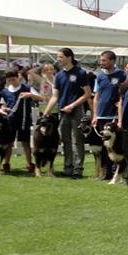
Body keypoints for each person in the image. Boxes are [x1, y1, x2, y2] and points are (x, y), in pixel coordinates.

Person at [43, 48, 92, 179]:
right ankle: (68, 168)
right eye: (58, 57)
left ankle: (78, 169)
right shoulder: (59, 76)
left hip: (76, 110)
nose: (58, 59)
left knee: (77, 140)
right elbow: (55, 96)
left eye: (60, 57)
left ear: (69, 57)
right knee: (65, 140)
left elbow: (87, 94)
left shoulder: (80, 73)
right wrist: (46, 113)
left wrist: (72, 105)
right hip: (63, 111)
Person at [91, 51, 128, 180]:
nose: (102, 63)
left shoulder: (122, 75)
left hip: (114, 116)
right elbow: (96, 97)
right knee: (104, 147)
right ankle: (105, 173)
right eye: (101, 60)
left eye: (104, 60)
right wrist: (95, 115)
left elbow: (123, 96)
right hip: (101, 116)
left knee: (116, 146)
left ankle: (117, 173)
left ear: (112, 61)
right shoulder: (100, 77)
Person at [0, 70, 42, 173]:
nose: (12, 82)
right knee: (9, 143)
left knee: (25, 143)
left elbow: (41, 98)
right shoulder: (5, 91)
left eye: (13, 79)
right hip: (10, 120)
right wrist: (4, 109)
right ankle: (6, 164)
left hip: (24, 120)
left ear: (18, 77)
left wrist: (30, 95)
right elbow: (3, 104)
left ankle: (29, 164)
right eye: (9, 80)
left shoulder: (27, 88)